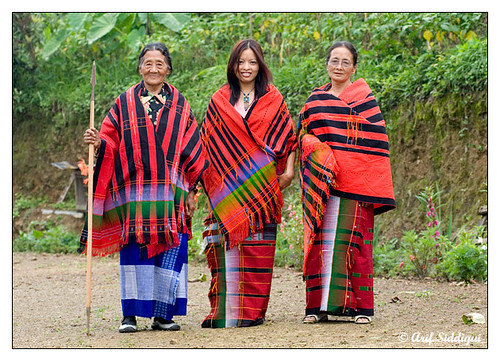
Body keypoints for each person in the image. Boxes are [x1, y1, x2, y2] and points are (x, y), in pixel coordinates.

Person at [80, 42, 207, 333]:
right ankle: (130, 316)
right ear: (140, 67)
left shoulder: (180, 104)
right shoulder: (124, 103)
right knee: (134, 251)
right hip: (135, 194)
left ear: (168, 69)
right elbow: (110, 140)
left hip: (171, 194)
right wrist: (98, 142)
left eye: (159, 64)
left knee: (171, 250)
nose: (153, 69)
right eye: (148, 63)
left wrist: (191, 190)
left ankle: (163, 315)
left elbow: (192, 149)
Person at [200, 39, 297, 328]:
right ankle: (225, 311)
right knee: (225, 247)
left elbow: (289, 138)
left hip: (262, 187)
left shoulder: (273, 98)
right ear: (233, 65)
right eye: (241, 61)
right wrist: (207, 187)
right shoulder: (219, 100)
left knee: (258, 249)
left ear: (260, 66)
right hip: (226, 189)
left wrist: (289, 172)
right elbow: (206, 144)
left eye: (252, 62)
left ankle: (252, 312)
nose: (246, 67)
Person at [298, 41, 396, 324]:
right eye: (334, 61)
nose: (338, 67)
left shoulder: (365, 100)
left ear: (354, 67)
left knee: (355, 244)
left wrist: (353, 165)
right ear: (326, 64)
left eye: (345, 62)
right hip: (322, 183)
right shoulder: (315, 100)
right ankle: (316, 308)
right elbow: (301, 136)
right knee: (321, 242)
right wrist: (315, 147)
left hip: (357, 185)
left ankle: (361, 308)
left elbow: (376, 144)